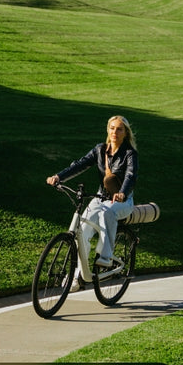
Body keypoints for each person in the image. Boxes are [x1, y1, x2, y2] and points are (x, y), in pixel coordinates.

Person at [46, 115, 137, 285]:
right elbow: (80, 164)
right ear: (107, 130)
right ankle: (78, 276)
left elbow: (130, 176)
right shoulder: (100, 150)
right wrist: (59, 177)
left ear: (125, 133)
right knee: (82, 231)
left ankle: (106, 256)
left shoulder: (129, 154)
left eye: (119, 129)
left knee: (107, 213)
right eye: (112, 128)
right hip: (101, 197)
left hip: (122, 201)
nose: (115, 132)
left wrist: (122, 193)